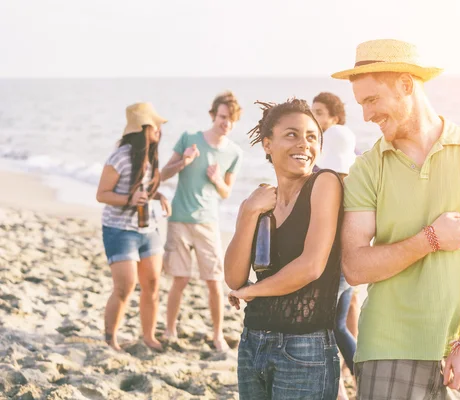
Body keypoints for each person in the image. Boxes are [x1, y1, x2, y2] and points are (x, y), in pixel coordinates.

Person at [332, 39, 460, 399]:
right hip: (385, 350)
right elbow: (356, 267)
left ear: (406, 85)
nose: (366, 115)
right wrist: (430, 239)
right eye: (361, 103)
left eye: (372, 100)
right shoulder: (367, 169)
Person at [225, 99, 343, 399]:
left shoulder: (324, 183)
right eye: (291, 134)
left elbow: (311, 266)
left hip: (306, 347)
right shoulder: (258, 202)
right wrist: (250, 212)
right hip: (253, 341)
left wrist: (253, 292)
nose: (303, 143)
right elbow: (234, 277)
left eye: (312, 137)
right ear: (268, 144)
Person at [160, 91, 243, 351]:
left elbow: (226, 192)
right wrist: (183, 162)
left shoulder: (234, 153)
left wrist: (217, 180)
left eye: (230, 119)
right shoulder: (190, 139)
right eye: (221, 117)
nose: (225, 123)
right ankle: (170, 330)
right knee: (180, 280)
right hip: (180, 219)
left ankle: (218, 335)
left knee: (214, 281)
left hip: (208, 222)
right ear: (212, 116)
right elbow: (163, 174)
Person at [96, 102, 171, 352]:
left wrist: (158, 196)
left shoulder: (150, 156)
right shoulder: (120, 156)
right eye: (156, 125)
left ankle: (149, 336)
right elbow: (102, 194)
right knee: (125, 286)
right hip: (119, 229)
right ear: (143, 128)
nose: (160, 130)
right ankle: (110, 339)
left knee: (152, 285)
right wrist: (129, 199)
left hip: (148, 228)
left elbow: (144, 188)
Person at [311, 92, 358, 400]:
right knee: (337, 325)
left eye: (319, 112)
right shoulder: (354, 179)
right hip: (350, 262)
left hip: (333, 264)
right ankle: (349, 383)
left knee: (333, 327)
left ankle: (349, 384)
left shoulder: (325, 181)